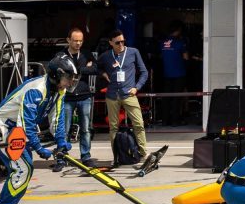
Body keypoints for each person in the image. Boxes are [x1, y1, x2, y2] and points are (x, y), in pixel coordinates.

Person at [0, 55, 76, 204]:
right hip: (3, 128)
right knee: (23, 168)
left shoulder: (59, 90)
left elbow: (57, 118)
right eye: (67, 78)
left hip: (17, 130)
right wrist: (39, 148)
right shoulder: (37, 90)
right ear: (56, 75)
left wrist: (61, 142)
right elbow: (27, 123)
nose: (70, 83)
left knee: (24, 168)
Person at [98, 29, 149, 162]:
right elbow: (97, 67)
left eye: (122, 41)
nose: (121, 44)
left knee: (138, 124)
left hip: (129, 94)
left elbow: (144, 72)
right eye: (117, 42)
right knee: (113, 127)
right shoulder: (106, 56)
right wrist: (103, 75)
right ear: (111, 43)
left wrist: (136, 87)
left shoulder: (133, 52)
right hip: (112, 95)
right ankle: (116, 156)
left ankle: (144, 153)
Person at [53, 28, 98, 171]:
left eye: (80, 40)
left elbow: (95, 69)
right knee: (63, 129)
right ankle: (62, 157)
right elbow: (54, 70)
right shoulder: (61, 55)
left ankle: (86, 156)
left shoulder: (86, 53)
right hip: (67, 97)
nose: (78, 43)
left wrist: (76, 70)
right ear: (68, 40)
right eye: (75, 40)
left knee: (86, 129)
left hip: (84, 95)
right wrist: (83, 68)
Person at [158, 21, 190, 126]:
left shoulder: (162, 42)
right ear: (178, 30)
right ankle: (175, 121)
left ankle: (164, 120)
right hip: (179, 74)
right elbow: (186, 57)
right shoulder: (180, 42)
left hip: (166, 74)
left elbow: (161, 56)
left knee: (166, 98)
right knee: (177, 98)